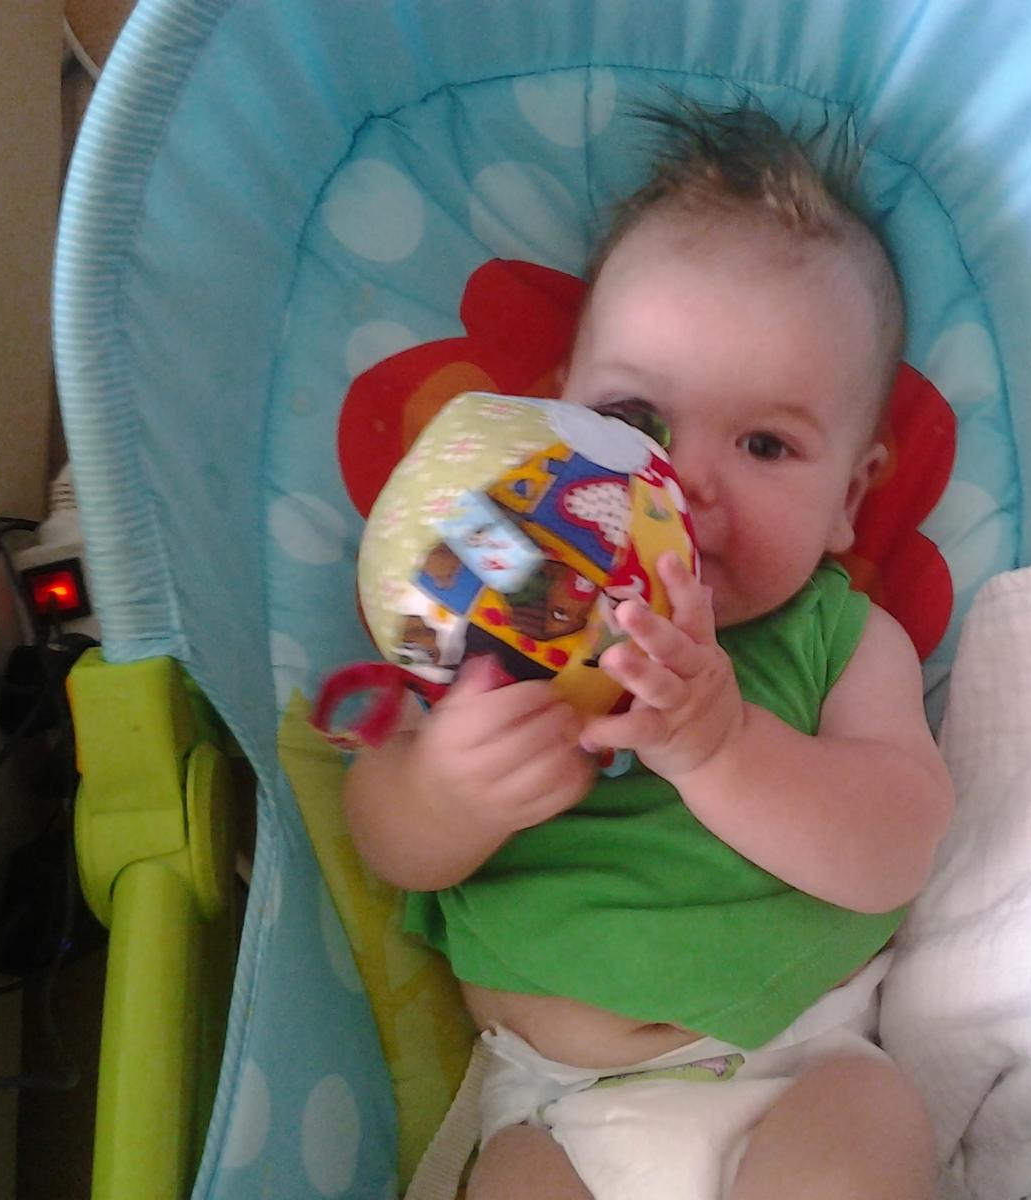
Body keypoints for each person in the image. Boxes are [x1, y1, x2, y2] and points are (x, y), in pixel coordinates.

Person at [344, 99, 954, 1200]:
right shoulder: (505, 623)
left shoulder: (842, 639)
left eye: (765, 443)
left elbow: (897, 846)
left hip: (803, 1069)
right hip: (555, 1110)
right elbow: (384, 840)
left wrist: (723, 750)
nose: (682, 484)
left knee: (868, 1140)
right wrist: (446, 791)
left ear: (848, 500)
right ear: (552, 425)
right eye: (636, 421)